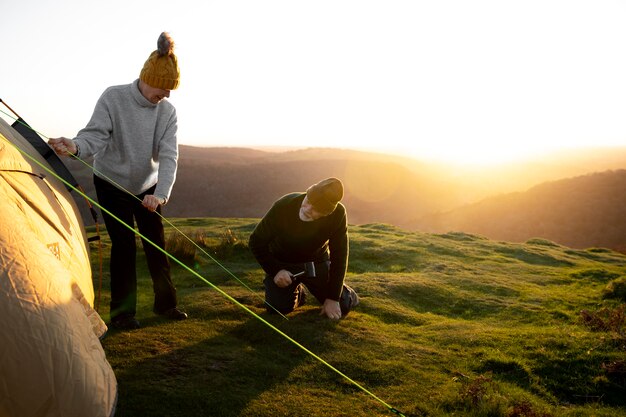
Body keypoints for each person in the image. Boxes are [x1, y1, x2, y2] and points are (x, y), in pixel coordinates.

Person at [48, 32, 187, 330]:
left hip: (147, 187)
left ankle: (166, 305)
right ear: (147, 78)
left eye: (170, 90)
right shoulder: (114, 98)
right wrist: (75, 146)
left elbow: (169, 155)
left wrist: (160, 194)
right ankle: (123, 314)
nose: (166, 95)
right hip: (112, 183)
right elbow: (95, 134)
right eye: (163, 88)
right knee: (123, 246)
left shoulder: (167, 112)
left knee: (156, 245)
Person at [249, 177, 359, 320]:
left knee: (342, 305)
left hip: (316, 264)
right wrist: (275, 270)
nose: (307, 209)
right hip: (282, 264)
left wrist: (333, 297)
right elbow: (256, 241)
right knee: (278, 309)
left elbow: (340, 255)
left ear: (326, 213)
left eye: (315, 210)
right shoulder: (284, 205)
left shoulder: (337, 214)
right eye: (308, 201)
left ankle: (346, 293)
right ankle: (298, 293)